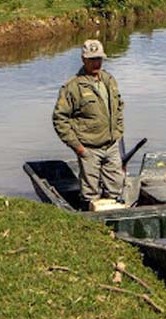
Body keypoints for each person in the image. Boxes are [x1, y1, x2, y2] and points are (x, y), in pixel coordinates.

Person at [52, 39, 125, 209]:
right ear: (83, 59)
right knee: (90, 195)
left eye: (99, 58)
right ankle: (90, 224)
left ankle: (114, 223)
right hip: (88, 148)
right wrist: (78, 147)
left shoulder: (109, 80)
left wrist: (119, 132)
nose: (96, 63)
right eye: (92, 59)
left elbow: (119, 107)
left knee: (116, 189)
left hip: (112, 145)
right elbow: (60, 118)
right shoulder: (72, 87)